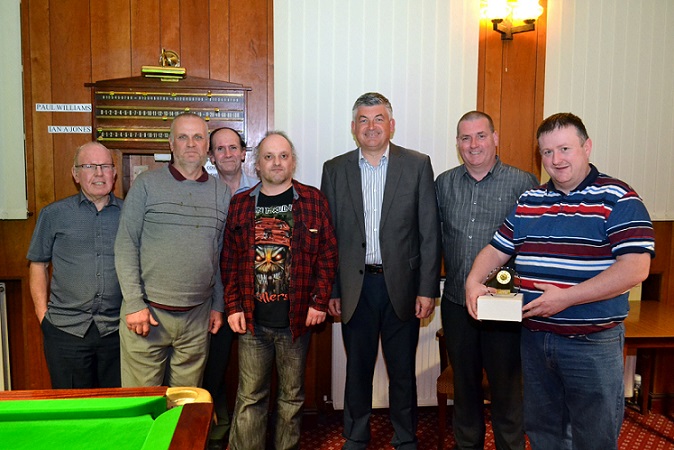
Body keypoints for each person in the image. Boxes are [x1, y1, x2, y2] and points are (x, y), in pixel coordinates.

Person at [465, 113, 655, 450]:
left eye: (565, 148)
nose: (556, 160)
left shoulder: (618, 198)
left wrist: (567, 298)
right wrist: (473, 282)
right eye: (547, 152)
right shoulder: (529, 201)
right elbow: (495, 250)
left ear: (587, 147)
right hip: (535, 340)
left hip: (591, 345)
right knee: (544, 434)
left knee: (593, 438)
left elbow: (636, 268)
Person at [321, 92, 441, 450]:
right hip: (354, 287)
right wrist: (332, 291)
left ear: (391, 125)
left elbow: (429, 232)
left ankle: (405, 436)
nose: (371, 126)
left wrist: (427, 289)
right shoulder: (335, 168)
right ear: (353, 127)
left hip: (402, 287)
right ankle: (356, 434)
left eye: (378, 119)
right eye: (363, 119)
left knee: (402, 370)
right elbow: (329, 238)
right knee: (357, 369)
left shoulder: (417, 165)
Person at [222, 130, 338, 450]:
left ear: (293, 162)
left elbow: (328, 255)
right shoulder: (240, 205)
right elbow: (229, 261)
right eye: (269, 157)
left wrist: (319, 301)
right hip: (251, 321)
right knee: (250, 397)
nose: (277, 162)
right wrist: (232, 307)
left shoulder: (313, 201)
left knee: (291, 398)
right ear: (257, 165)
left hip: (296, 321)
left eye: (283, 156)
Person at [436, 111, 538, 450]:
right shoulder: (444, 184)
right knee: (464, 391)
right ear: (457, 144)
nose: (473, 144)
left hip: (504, 307)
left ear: (495, 138)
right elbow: (431, 239)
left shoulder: (523, 183)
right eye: (465, 138)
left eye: (481, 136)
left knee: (507, 391)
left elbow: (533, 245)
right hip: (455, 304)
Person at [114, 112, 231, 387]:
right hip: (147, 315)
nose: (191, 144)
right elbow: (126, 244)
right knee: (142, 405)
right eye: (183, 137)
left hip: (197, 318)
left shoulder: (221, 193)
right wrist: (133, 303)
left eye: (198, 137)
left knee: (185, 409)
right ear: (171, 144)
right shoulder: (146, 185)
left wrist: (217, 305)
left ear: (206, 146)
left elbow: (219, 254)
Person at [27, 142, 123, 388]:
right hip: (65, 331)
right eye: (90, 166)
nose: (99, 173)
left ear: (114, 173)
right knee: (72, 408)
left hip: (117, 332)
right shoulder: (54, 214)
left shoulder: (129, 213)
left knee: (115, 409)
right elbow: (38, 264)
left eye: (105, 166)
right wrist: (42, 316)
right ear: (75, 174)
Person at [202, 126, 258, 449]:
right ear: (211, 156)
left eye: (232, 148)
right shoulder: (205, 192)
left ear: (243, 152)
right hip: (216, 298)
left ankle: (250, 435)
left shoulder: (262, 189)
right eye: (219, 149)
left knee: (255, 378)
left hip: (255, 298)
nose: (227, 154)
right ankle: (218, 431)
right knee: (214, 371)